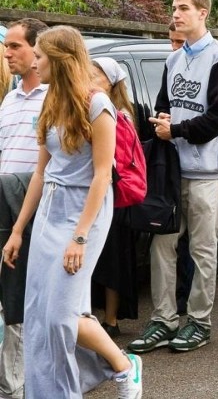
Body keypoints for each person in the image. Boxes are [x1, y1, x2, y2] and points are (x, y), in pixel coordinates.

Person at [2, 26, 142, 398]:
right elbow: (40, 171)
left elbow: (101, 176)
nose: (35, 61)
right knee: (38, 316)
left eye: (42, 55)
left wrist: (79, 236)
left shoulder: (98, 104)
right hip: (50, 207)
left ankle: (125, 367)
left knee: (61, 317)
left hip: (86, 211)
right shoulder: (50, 101)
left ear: (61, 60)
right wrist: (18, 230)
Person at [128, 0, 218, 354]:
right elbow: (164, 103)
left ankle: (199, 321)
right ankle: (163, 318)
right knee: (163, 244)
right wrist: (162, 120)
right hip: (172, 171)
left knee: (203, 250)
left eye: (184, 8)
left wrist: (177, 130)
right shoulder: (173, 60)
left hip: (206, 172)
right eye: (174, 8)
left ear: (203, 13)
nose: (175, 14)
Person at [0, 18, 48, 399]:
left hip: (36, 214)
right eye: (7, 45)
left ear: (37, 52)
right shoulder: (10, 99)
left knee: (23, 301)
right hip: (4, 211)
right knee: (9, 299)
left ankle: (20, 385)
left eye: (15, 46)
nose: (7, 52)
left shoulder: (55, 98)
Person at [90, 57, 139, 338]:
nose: (87, 77)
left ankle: (110, 319)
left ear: (109, 81)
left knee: (111, 260)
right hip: (100, 191)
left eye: (94, 74)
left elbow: (115, 160)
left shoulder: (118, 114)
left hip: (113, 194)